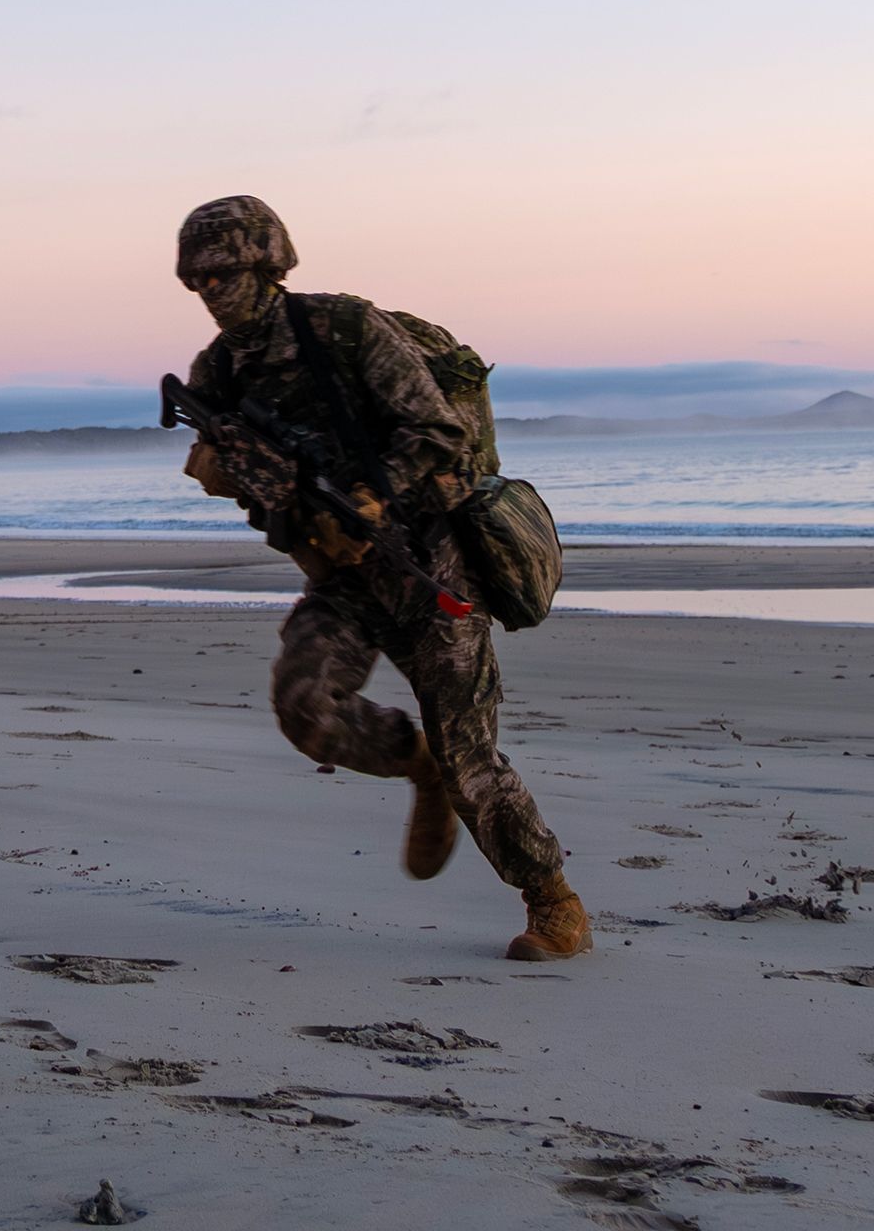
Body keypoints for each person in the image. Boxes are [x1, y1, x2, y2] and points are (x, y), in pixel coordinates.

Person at [174, 195, 589, 962]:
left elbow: (439, 429)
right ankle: (413, 761)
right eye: (197, 280)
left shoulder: (345, 329)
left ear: (267, 263)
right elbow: (228, 466)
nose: (212, 291)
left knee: (471, 763)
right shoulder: (219, 372)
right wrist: (220, 470)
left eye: (224, 273)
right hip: (342, 577)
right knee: (304, 705)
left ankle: (552, 900)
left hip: (430, 562)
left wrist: (370, 497)